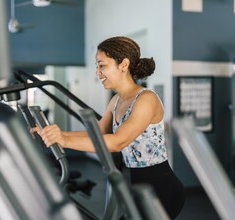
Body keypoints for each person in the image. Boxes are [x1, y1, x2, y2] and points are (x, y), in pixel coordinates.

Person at [31, 36, 185, 219]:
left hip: (162, 190)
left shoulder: (146, 99)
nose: (97, 73)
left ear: (123, 64)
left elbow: (118, 142)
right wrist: (54, 133)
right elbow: (97, 133)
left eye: (102, 65)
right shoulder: (116, 100)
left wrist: (64, 140)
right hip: (137, 186)